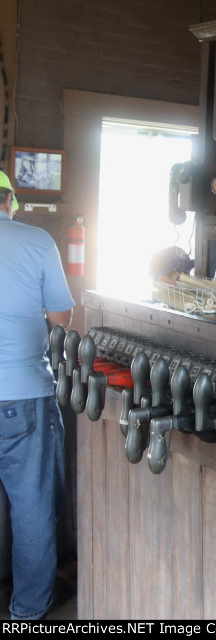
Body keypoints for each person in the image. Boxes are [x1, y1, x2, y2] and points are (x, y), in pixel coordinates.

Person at [0, 169, 74, 620]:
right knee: (31, 509)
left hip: (23, 392)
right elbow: (62, 318)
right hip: (24, 394)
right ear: (10, 202)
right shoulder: (37, 240)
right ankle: (26, 613)